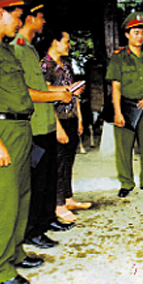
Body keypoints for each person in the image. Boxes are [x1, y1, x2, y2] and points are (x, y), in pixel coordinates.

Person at [0, 0, 71, 284]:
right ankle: (1, 271)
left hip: (21, 129)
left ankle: (16, 253)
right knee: (6, 202)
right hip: (2, 131)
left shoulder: (4, 49)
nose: (20, 22)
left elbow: (22, 92)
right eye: (17, 16)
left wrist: (57, 94)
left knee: (23, 196)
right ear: (0, 12)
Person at [10, 5, 79, 249]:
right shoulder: (17, 49)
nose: (44, 21)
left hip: (46, 123)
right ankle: (33, 230)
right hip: (35, 126)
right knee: (37, 182)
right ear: (30, 18)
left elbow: (41, 88)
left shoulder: (28, 49)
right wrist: (59, 95)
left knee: (49, 178)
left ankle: (47, 220)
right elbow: (27, 93)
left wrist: (61, 93)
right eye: (40, 17)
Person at [105, 12, 143, 198]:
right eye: (135, 32)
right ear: (127, 34)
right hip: (125, 107)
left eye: (142, 33)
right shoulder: (118, 57)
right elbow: (115, 87)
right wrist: (117, 112)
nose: (140, 36)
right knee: (124, 148)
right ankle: (126, 183)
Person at [40, 29, 91, 223]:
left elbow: (73, 94)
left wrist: (79, 118)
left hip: (70, 117)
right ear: (54, 42)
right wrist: (58, 127)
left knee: (69, 160)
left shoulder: (67, 65)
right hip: (56, 120)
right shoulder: (45, 66)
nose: (69, 45)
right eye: (66, 41)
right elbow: (44, 96)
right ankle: (58, 204)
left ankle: (68, 198)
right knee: (58, 163)